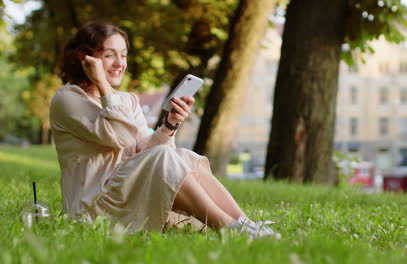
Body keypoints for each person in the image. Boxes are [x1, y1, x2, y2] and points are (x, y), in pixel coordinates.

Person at [50, 22, 279, 238]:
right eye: (109, 55)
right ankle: (229, 228)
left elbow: (143, 151)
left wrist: (170, 124)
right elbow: (122, 136)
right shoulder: (69, 99)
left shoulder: (125, 101)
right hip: (93, 211)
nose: (120, 63)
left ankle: (245, 223)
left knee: (184, 156)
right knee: (164, 156)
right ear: (86, 58)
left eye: (124, 55)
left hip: (126, 192)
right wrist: (102, 84)